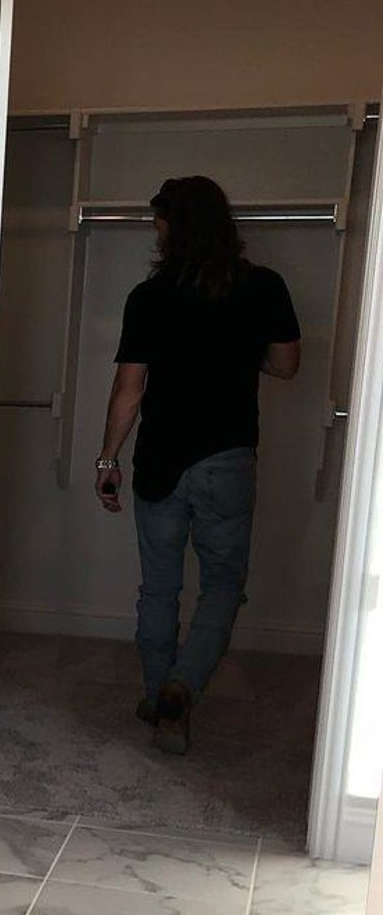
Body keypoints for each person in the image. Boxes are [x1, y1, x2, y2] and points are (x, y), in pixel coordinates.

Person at [95, 175, 301, 755]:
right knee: (222, 586)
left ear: (175, 226)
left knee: (158, 589)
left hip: (160, 460)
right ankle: (181, 690)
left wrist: (106, 458)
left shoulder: (149, 297)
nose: (154, 230)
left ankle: (159, 694)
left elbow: (128, 390)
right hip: (227, 461)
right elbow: (287, 366)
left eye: (159, 220)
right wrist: (237, 354)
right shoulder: (264, 287)